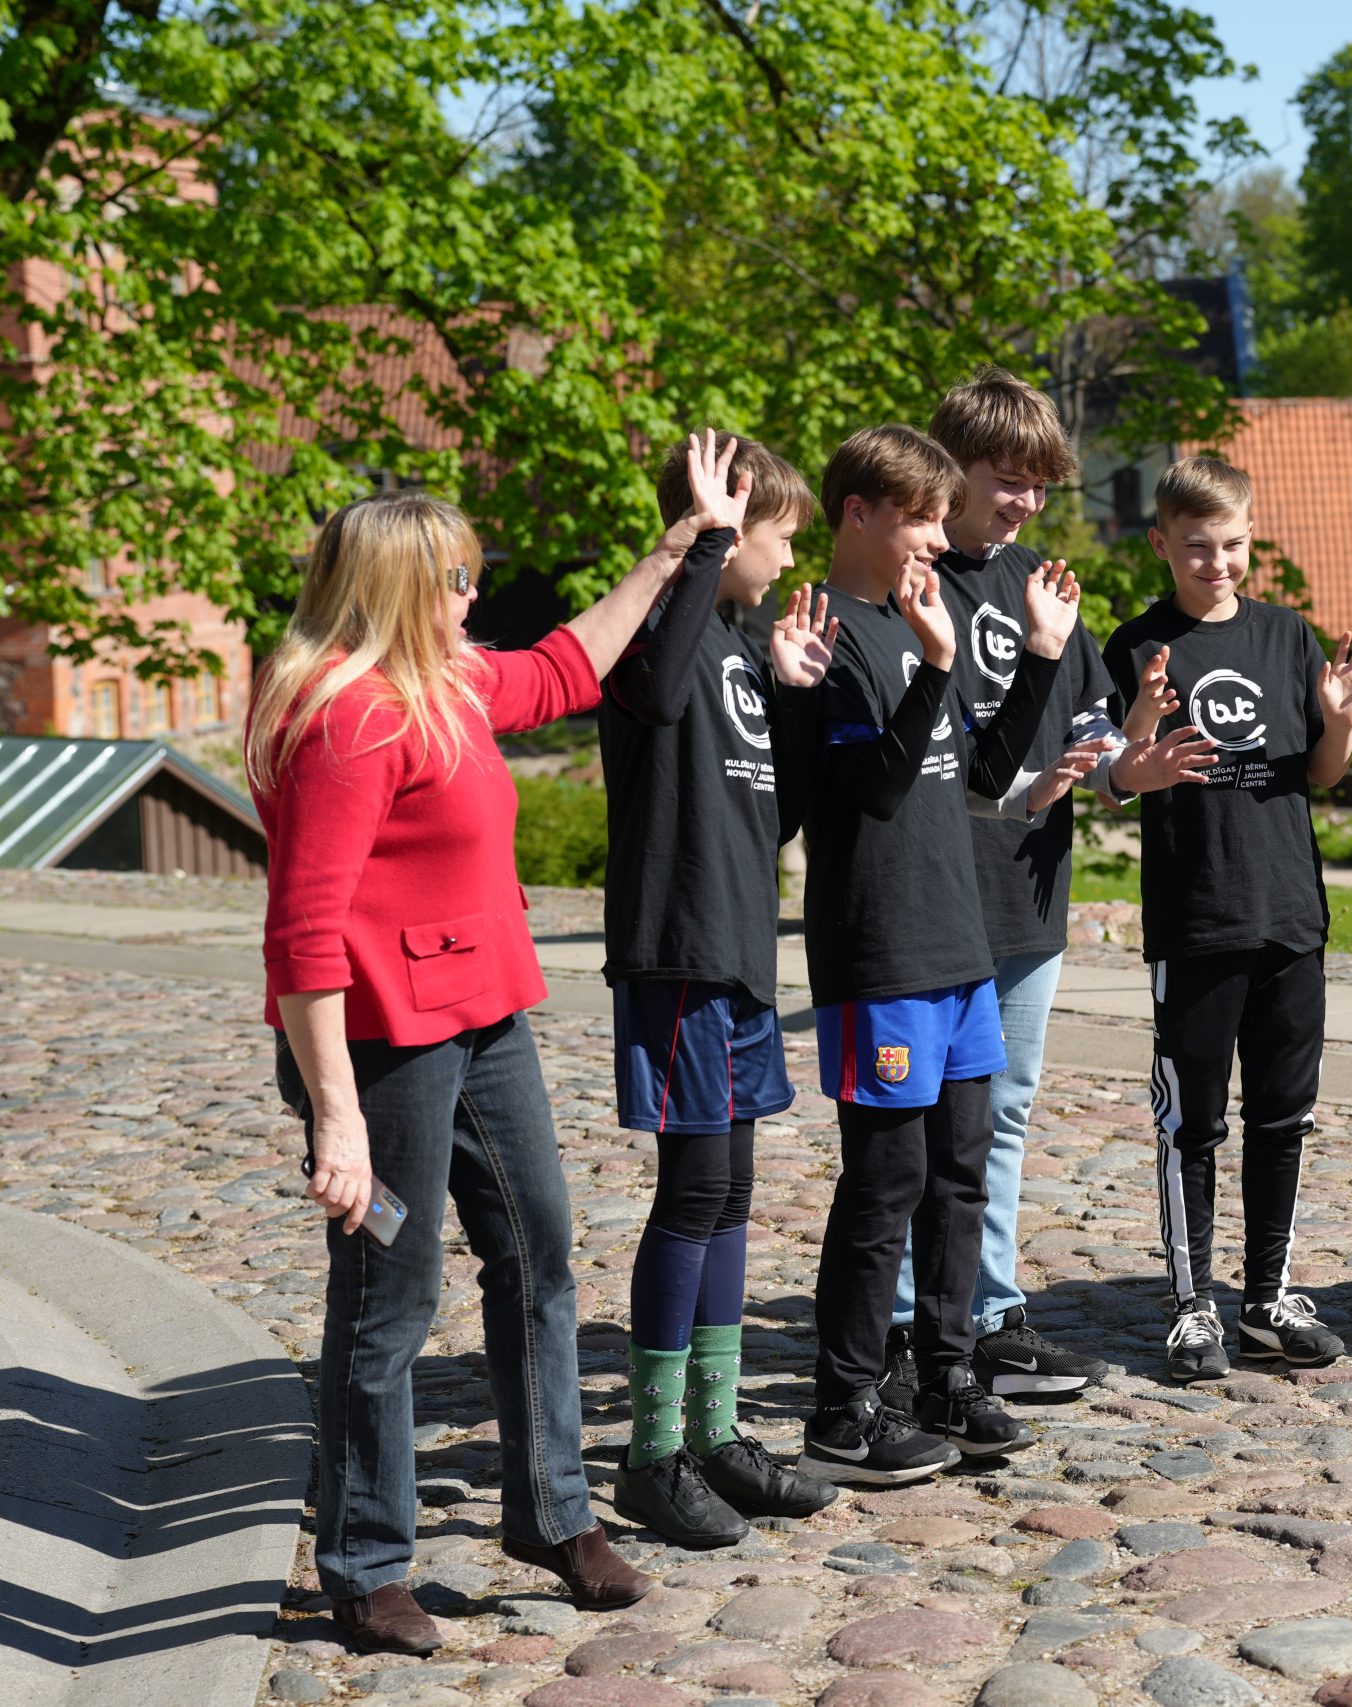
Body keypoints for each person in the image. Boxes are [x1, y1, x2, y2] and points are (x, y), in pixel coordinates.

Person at [251, 490, 689, 1653]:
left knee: (539, 1252)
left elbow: (564, 668)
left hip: (485, 1016)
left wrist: (670, 551)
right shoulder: (349, 717)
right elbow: (302, 935)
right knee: (388, 1299)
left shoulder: (445, 679)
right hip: (382, 1047)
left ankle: (552, 1515)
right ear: (399, 587)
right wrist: (336, 1118)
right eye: (454, 578)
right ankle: (364, 1566)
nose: (473, 594)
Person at [879, 367, 1204, 1410]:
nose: (1023, 501)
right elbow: (931, 760)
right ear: (951, 469)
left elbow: (1089, 731)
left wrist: (1124, 766)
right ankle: (901, 1326)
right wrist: (1030, 782)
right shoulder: (909, 577)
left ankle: (989, 1314)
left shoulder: (1046, 584)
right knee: (916, 1122)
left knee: (1003, 1115)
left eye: (1038, 484)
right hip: (934, 896)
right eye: (1005, 479)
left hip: (1029, 896)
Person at [796, 424, 1085, 1482]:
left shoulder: (914, 623)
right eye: (918, 517)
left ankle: (948, 1374)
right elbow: (873, 787)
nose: (934, 535)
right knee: (887, 1183)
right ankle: (844, 1407)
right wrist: (935, 665)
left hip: (959, 943)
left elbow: (985, 773)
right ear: (858, 514)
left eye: (935, 515)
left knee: (960, 1173)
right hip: (881, 947)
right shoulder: (824, 636)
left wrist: (1041, 655)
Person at [596, 430, 841, 1545]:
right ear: (727, 529)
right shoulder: (657, 631)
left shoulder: (740, 649)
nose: (788, 558)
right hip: (679, 952)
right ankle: (652, 1452)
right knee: (692, 1193)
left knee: (732, 1191)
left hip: (740, 953)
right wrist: (701, 541)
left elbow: (769, 814)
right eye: (776, 535)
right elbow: (650, 699)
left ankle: (714, 1430)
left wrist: (791, 696)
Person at [1103, 455, 1352, 1382]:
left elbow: (1321, 772)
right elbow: (1120, 774)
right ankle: (1193, 1306)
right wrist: (1139, 720)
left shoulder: (1286, 634)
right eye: (1197, 547)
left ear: (1250, 539)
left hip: (1289, 914)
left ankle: (1268, 1296)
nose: (1216, 563)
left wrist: (1338, 719)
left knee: (1283, 1116)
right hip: (1197, 917)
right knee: (1192, 1121)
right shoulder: (1137, 645)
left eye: (1231, 545)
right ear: (1161, 544)